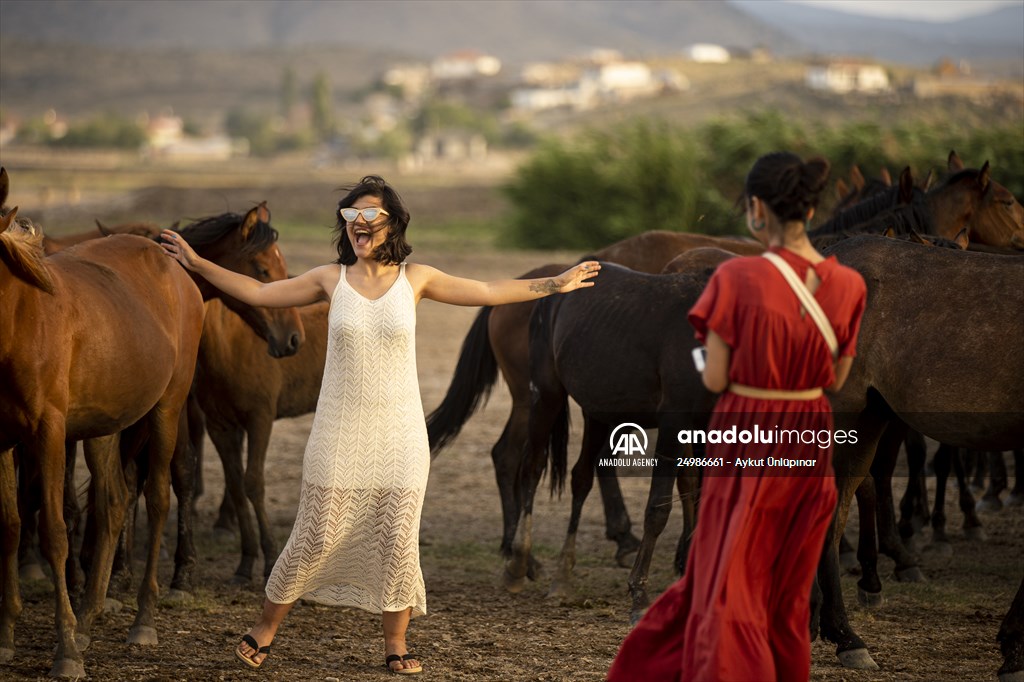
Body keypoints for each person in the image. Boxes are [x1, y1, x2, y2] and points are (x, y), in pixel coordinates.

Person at [160, 175, 600, 675]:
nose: (359, 225)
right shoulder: (330, 278)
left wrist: (556, 283)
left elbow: (487, 290)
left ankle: (395, 643)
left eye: (369, 216)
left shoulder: (417, 279)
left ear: (391, 224)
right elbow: (262, 294)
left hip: (400, 434)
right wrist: (197, 263)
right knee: (316, 532)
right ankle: (265, 629)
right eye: (350, 217)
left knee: (397, 536)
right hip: (338, 430)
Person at [607, 152, 867, 681]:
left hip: (746, 436)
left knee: (727, 587)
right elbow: (836, 381)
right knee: (788, 598)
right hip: (810, 441)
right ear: (812, 209)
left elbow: (715, 378)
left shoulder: (735, 278)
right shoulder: (850, 286)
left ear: (755, 209)